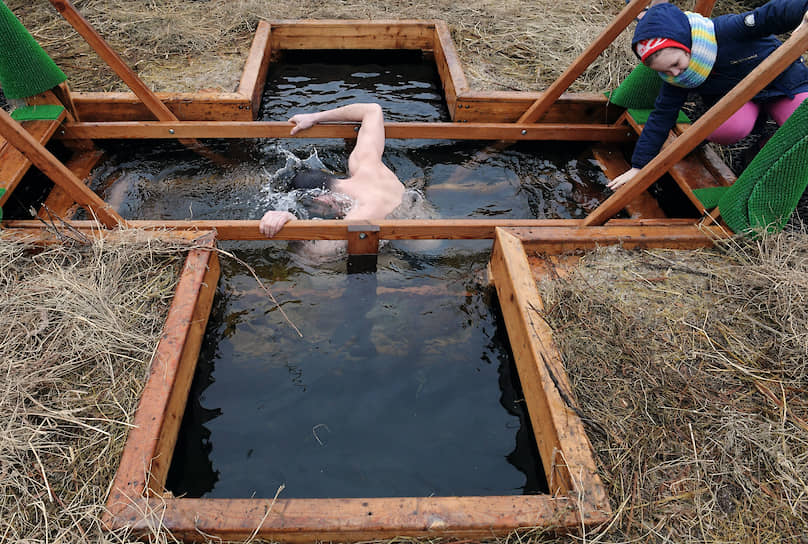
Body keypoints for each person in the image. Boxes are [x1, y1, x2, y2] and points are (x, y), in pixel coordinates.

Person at [608, 0, 808, 190]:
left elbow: (772, 14)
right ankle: (758, 146)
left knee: (802, 123)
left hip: (782, 83)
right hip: (740, 96)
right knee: (724, 128)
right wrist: (638, 166)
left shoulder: (728, 30)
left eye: (676, 64)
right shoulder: (677, 78)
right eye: (666, 72)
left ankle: (774, 139)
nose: (675, 74)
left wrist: (804, 11)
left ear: (686, 44)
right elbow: (661, 116)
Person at [259, 102, 405, 238]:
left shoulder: (359, 216)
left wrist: (293, 221)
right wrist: (314, 117)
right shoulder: (366, 164)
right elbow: (372, 110)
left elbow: (316, 256)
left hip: (418, 245)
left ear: (322, 199)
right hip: (419, 208)